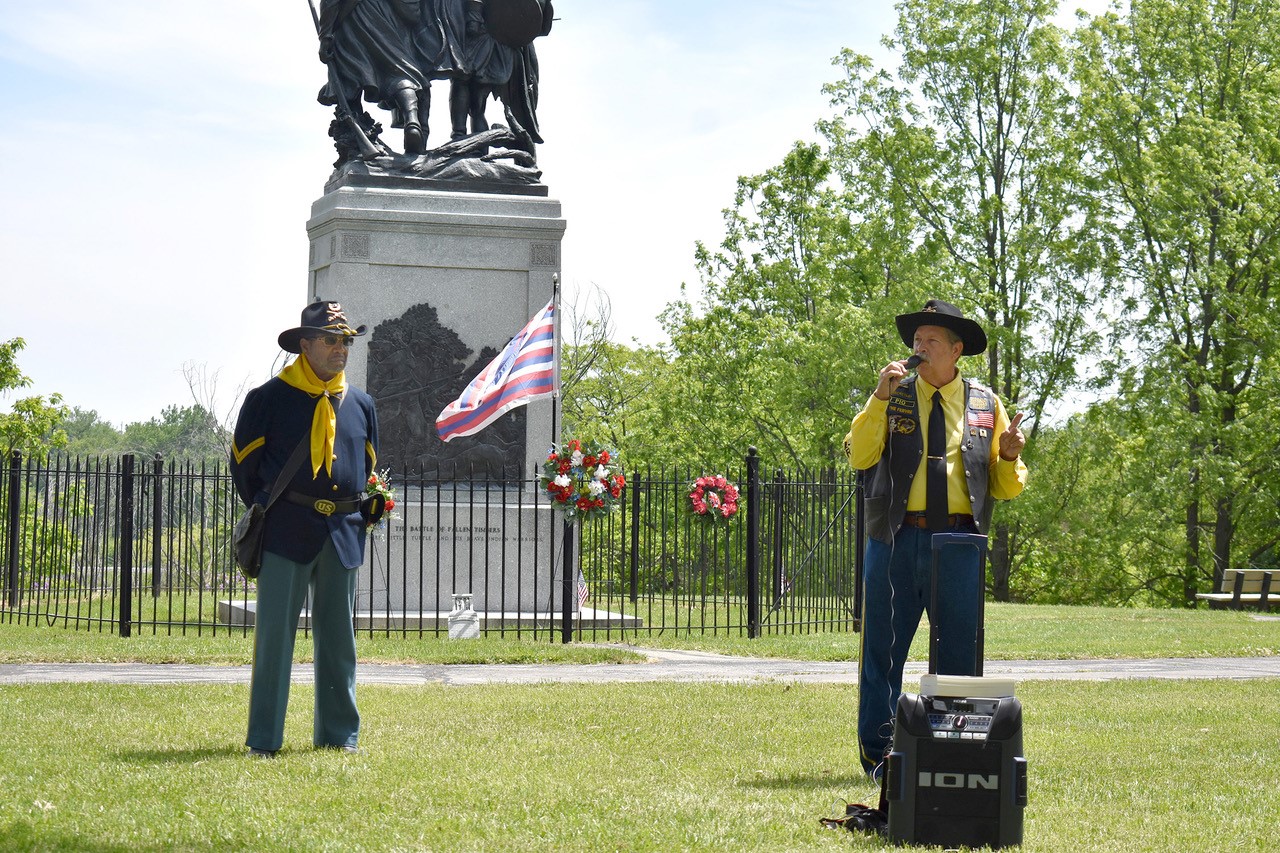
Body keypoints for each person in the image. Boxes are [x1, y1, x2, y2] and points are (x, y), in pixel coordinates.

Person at [842, 298, 1027, 778]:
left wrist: (1006, 456)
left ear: (956, 350)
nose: (919, 349)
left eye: (931, 341)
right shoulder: (892, 396)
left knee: (959, 655)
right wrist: (877, 399)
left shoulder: (986, 404)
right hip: (896, 539)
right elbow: (860, 457)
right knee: (882, 649)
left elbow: (1005, 487)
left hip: (959, 545)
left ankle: (954, 751)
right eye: (916, 341)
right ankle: (880, 758)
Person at [231, 300, 382, 757]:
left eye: (346, 342)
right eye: (331, 341)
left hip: (341, 535)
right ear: (305, 345)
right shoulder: (267, 399)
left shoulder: (361, 403)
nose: (341, 349)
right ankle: (264, 740)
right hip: (285, 532)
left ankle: (339, 736)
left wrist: (367, 508)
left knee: (339, 642)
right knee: (274, 641)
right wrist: (272, 510)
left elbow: (369, 467)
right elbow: (245, 470)